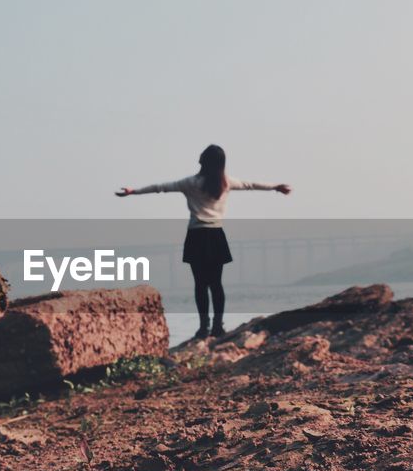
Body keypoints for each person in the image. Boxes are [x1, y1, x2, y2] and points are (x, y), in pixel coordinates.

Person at [116, 144, 291, 340]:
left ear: (204, 161)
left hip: (197, 236)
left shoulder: (191, 183)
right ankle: (218, 326)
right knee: (216, 284)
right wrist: (275, 187)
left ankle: (203, 327)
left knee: (200, 284)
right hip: (216, 236)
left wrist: (133, 191)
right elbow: (250, 185)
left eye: (201, 156)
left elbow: (161, 188)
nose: (198, 158)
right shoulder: (226, 182)